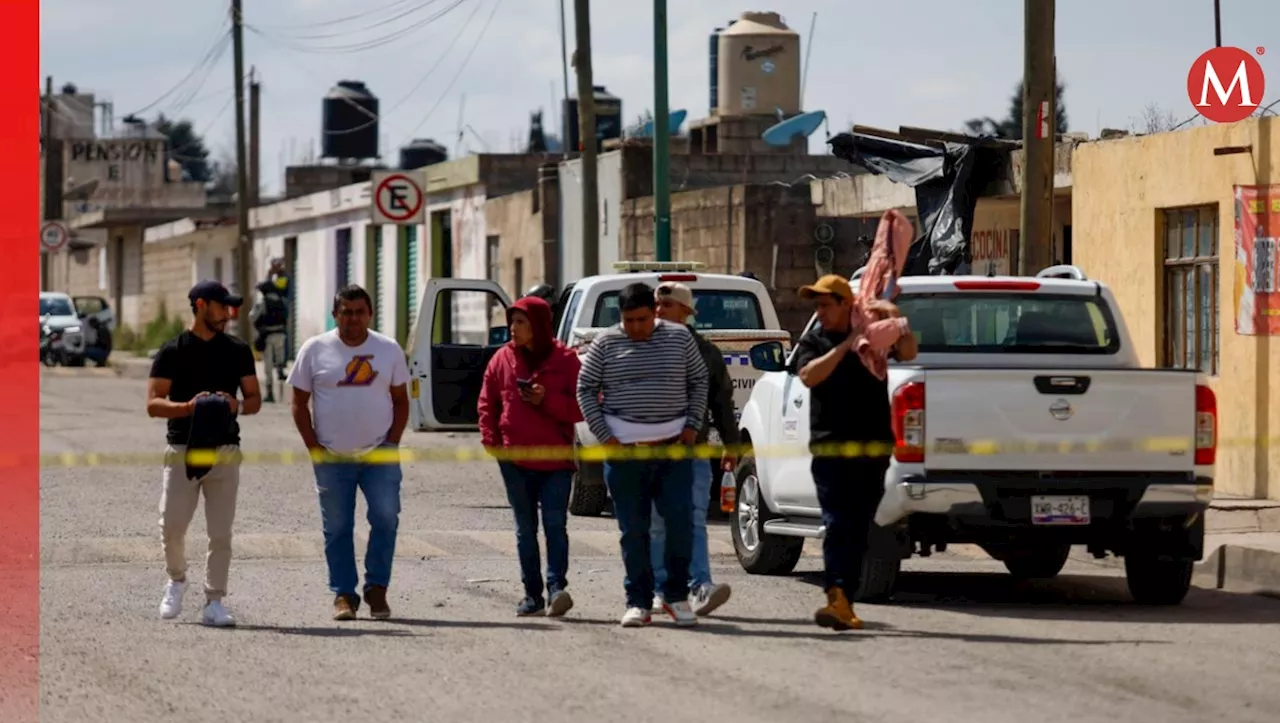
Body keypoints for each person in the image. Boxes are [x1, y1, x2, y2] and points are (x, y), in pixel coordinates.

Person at [576, 282, 709, 628]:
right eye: (629, 320)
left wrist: (692, 426)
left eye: (642, 319)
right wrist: (605, 436)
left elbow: (699, 381)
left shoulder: (679, 339)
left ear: (654, 311)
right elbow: (585, 388)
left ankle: (676, 596)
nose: (636, 327)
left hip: (672, 451)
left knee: (679, 524)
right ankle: (638, 601)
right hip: (625, 456)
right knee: (633, 531)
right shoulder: (605, 343)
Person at [792, 269, 917, 631]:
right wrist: (847, 344)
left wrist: (893, 316)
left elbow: (908, 353)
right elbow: (809, 376)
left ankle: (844, 597)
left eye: (826, 304)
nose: (820, 311)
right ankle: (837, 598)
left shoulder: (874, 338)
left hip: (873, 448)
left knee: (860, 526)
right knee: (837, 523)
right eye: (816, 305)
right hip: (831, 449)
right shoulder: (815, 341)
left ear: (846, 304)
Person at [286, 284, 410, 621]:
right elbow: (298, 402)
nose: (353, 318)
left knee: (386, 518)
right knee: (337, 527)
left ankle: (377, 589)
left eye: (359, 312)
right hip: (332, 457)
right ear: (335, 314)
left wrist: (392, 442)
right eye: (346, 312)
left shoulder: (388, 349)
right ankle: (344, 594)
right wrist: (314, 448)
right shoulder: (314, 349)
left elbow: (401, 400)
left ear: (370, 314)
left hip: (379, 454)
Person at [147, 280, 261, 627]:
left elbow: (254, 399)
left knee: (221, 532)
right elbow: (153, 404)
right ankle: (177, 578)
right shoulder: (173, 350)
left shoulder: (238, 350)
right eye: (221, 306)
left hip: (225, 449)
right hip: (183, 447)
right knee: (172, 526)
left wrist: (236, 404)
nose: (228, 313)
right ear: (200, 305)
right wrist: (188, 407)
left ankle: (214, 601)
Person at [478, 295, 583, 617]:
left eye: (520, 322)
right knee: (525, 530)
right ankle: (532, 595)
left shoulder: (566, 360)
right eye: (512, 321)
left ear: (537, 325)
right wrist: (494, 443)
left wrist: (546, 400)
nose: (513, 328)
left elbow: (582, 407)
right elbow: (487, 404)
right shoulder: (501, 360)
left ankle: (556, 589)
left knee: (555, 525)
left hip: (556, 463)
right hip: (515, 461)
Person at [650, 281, 737, 617]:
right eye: (657, 305)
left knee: (693, 519)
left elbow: (721, 403)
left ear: (686, 313)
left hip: (692, 449)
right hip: (652, 449)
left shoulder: (705, 353)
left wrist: (732, 445)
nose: (660, 311)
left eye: (668, 306)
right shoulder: (643, 344)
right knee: (658, 523)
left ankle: (701, 585)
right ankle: (660, 590)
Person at [250, 258, 290, 403]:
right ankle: (280, 371)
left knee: (267, 366)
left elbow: (252, 317)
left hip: (268, 335)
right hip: (280, 334)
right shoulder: (280, 300)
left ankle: (270, 393)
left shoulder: (263, 302)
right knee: (279, 360)